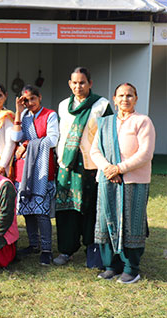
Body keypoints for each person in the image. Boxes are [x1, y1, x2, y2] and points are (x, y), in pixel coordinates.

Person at [91, 83, 155, 284]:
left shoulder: (143, 121)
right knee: (106, 220)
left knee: (131, 224)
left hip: (133, 181)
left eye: (129, 95)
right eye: (121, 95)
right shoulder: (105, 123)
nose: (125, 99)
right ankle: (111, 266)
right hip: (108, 179)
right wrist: (108, 169)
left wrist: (120, 168)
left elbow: (145, 153)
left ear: (136, 99)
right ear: (114, 99)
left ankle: (130, 268)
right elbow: (95, 151)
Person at [54, 67, 112, 267]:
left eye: (82, 82)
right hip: (67, 165)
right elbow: (62, 133)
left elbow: (108, 135)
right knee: (67, 208)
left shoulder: (101, 105)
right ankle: (66, 250)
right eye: (75, 83)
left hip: (91, 166)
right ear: (70, 84)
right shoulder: (63, 106)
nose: (78, 86)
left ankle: (92, 250)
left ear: (90, 83)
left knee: (91, 208)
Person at [11, 84, 59, 266]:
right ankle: (33, 244)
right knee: (28, 210)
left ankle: (46, 249)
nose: (30, 102)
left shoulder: (50, 115)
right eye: (26, 100)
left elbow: (52, 139)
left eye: (33, 98)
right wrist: (18, 112)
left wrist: (26, 145)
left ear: (40, 97)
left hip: (42, 169)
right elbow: (15, 138)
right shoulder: (23, 116)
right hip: (24, 169)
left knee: (41, 211)